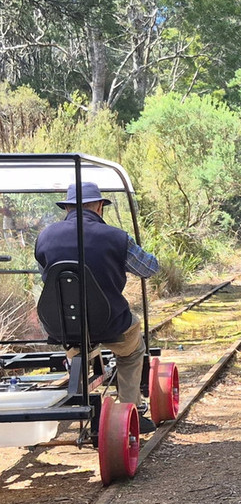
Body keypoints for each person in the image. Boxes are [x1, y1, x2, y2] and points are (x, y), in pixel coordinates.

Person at [34, 181, 160, 431]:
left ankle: (77, 376)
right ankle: (131, 410)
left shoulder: (45, 236)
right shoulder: (116, 237)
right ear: (100, 206)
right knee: (133, 352)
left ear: (68, 208)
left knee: (76, 345)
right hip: (112, 323)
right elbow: (149, 268)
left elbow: (46, 277)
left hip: (62, 326)